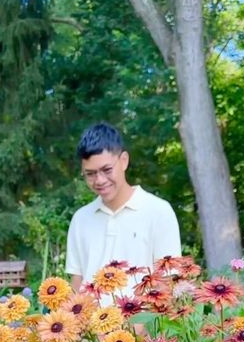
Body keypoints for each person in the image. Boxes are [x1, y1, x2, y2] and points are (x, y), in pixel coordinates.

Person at [65, 122, 182, 301]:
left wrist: (137, 327)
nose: (100, 180)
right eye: (90, 174)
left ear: (124, 161)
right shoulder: (81, 219)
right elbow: (77, 282)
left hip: (141, 324)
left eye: (107, 170)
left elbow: (167, 282)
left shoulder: (158, 211)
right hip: (90, 326)